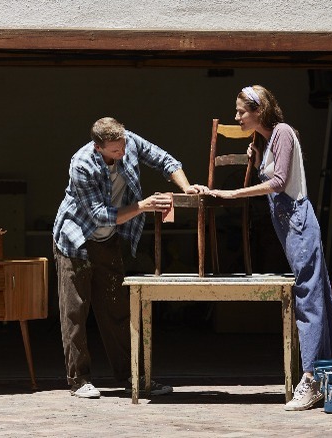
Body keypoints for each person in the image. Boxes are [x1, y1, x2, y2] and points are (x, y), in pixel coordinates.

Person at [210, 85, 332, 411]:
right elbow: (272, 173)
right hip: (290, 230)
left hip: (299, 224)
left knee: (308, 300)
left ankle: (311, 377)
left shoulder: (283, 132)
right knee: (317, 296)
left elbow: (280, 182)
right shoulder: (269, 141)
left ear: (260, 111)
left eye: (242, 111)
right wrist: (258, 159)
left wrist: (232, 195)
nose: (237, 116)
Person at [52, 116, 208, 399]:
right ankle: (79, 380)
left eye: (122, 144)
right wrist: (144, 206)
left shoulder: (129, 141)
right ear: (98, 147)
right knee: (75, 311)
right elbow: (100, 214)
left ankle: (133, 376)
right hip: (76, 240)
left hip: (107, 239)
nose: (121, 152)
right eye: (114, 150)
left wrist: (185, 187)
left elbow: (165, 160)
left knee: (117, 310)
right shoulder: (82, 163)